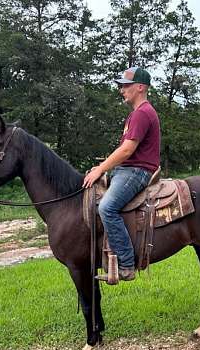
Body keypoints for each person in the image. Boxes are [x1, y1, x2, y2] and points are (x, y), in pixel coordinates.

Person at [82, 66, 161, 281]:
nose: (122, 90)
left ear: (141, 87)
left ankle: (126, 264)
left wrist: (100, 168)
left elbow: (127, 150)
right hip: (127, 170)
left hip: (137, 172)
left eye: (126, 86)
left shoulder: (143, 113)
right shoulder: (136, 114)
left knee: (107, 207)